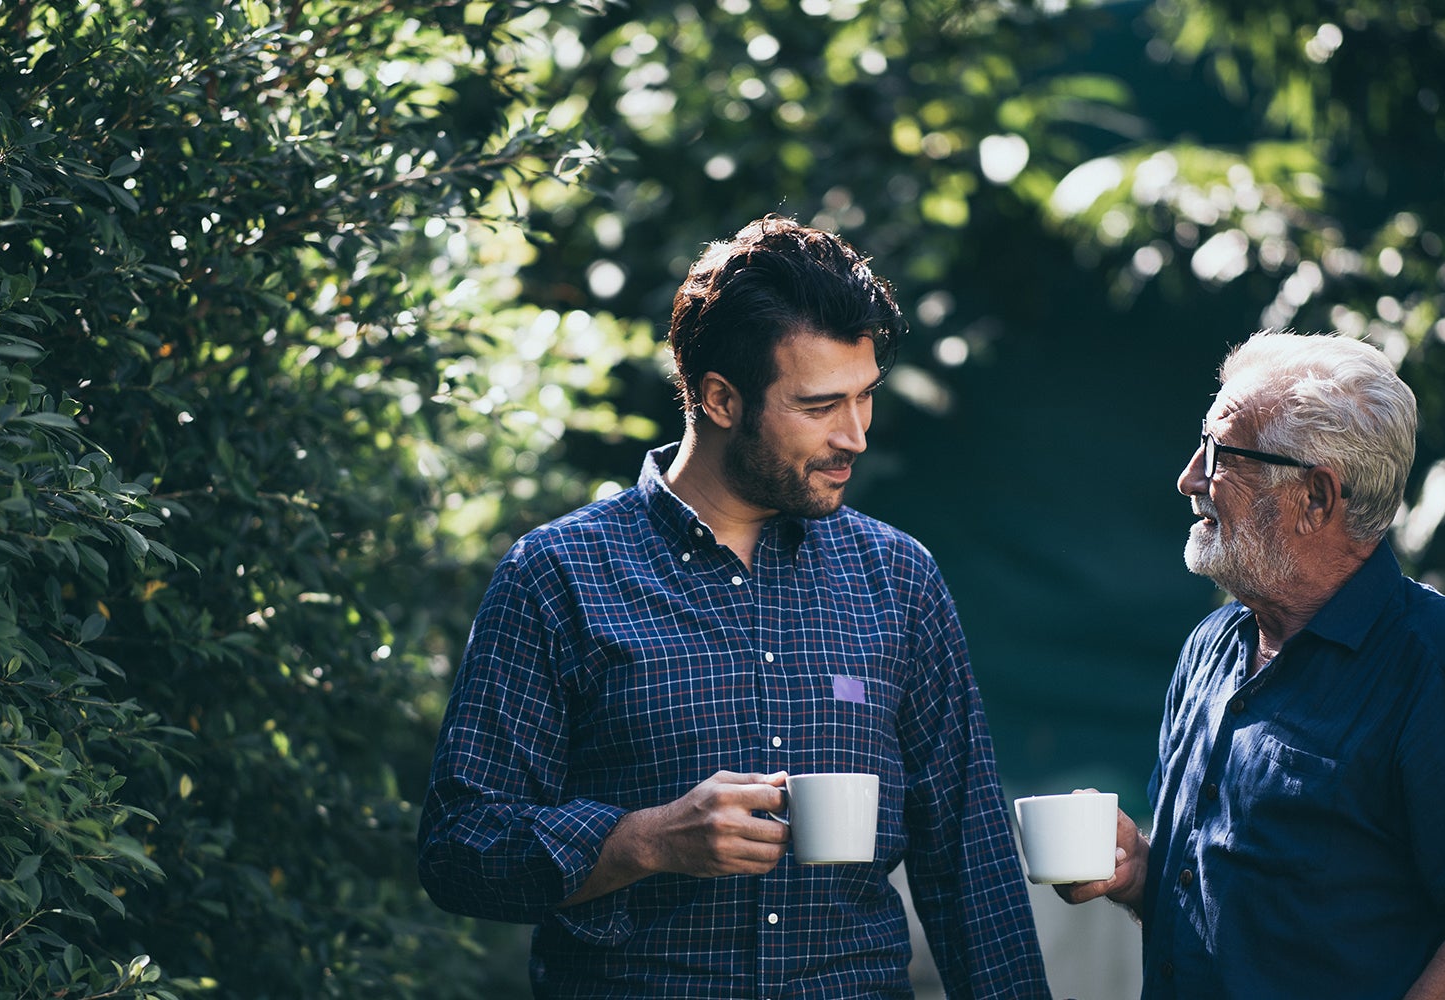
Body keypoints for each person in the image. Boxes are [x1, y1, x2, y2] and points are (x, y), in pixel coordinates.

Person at [417, 216, 1052, 999]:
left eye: (865, 398)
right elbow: (459, 851)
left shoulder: (899, 577)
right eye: (820, 406)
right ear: (720, 399)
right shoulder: (560, 574)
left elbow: (970, 861)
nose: (855, 434)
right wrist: (644, 840)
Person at [1059, 331, 1445, 999]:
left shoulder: (1440, 657)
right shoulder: (1211, 646)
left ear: (1317, 498)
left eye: (1218, 454)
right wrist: (1140, 871)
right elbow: (1244, 913)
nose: (1189, 478)